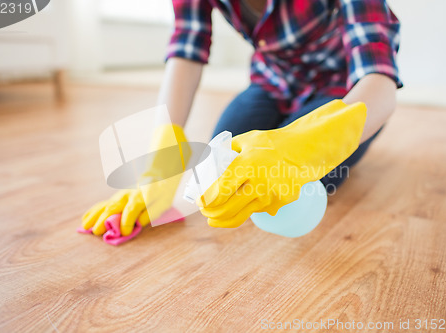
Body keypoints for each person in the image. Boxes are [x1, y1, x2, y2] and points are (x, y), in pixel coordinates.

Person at [82, 0, 401, 235]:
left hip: (341, 87)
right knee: (221, 162)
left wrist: (300, 147)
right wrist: (161, 158)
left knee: (313, 178)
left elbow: (381, 83)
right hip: (272, 81)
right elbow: (186, 47)